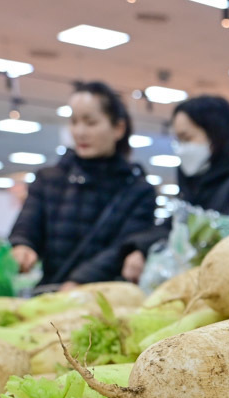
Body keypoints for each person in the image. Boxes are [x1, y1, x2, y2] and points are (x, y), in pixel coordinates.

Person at [9, 81, 156, 290]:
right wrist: (22, 245)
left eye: (90, 122)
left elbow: (123, 247)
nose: (79, 132)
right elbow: (28, 225)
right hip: (50, 293)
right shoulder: (48, 179)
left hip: (106, 297)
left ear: (118, 128)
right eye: (74, 121)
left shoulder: (138, 191)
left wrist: (80, 281)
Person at [120, 95, 229, 282]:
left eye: (187, 138)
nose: (181, 148)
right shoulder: (195, 181)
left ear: (215, 133)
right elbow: (177, 223)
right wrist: (141, 247)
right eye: (178, 140)